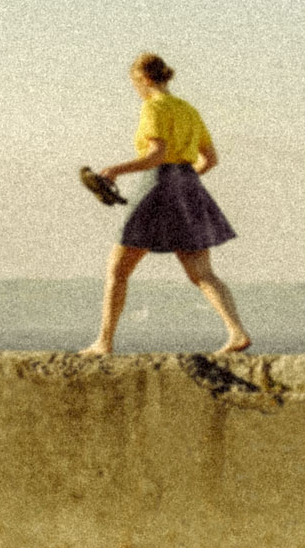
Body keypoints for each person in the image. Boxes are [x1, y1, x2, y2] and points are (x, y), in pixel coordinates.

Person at [80, 53, 251, 357]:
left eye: (135, 83)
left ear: (144, 79)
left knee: (118, 269)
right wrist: (183, 182)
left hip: (157, 184)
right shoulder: (188, 109)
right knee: (202, 272)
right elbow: (209, 160)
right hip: (188, 185)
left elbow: (156, 155)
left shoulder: (153, 107)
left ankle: (103, 342)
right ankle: (236, 332)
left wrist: (115, 170)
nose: (136, 90)